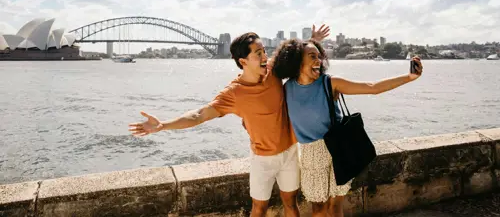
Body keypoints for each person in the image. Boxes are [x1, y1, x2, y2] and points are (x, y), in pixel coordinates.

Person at [128, 26, 330, 217]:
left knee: (290, 203)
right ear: (243, 61)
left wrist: (313, 40)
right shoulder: (234, 93)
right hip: (263, 159)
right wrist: (163, 125)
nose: (264, 57)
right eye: (258, 53)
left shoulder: (273, 71)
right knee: (259, 209)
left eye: (264, 51)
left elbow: (294, 54)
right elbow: (200, 114)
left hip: (289, 151)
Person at [272, 38, 423, 217]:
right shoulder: (286, 89)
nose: (318, 61)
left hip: (339, 148)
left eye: (319, 57)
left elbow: (372, 88)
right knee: (318, 208)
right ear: (296, 60)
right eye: (312, 56)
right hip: (311, 153)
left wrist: (409, 77)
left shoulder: (330, 83)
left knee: (335, 206)